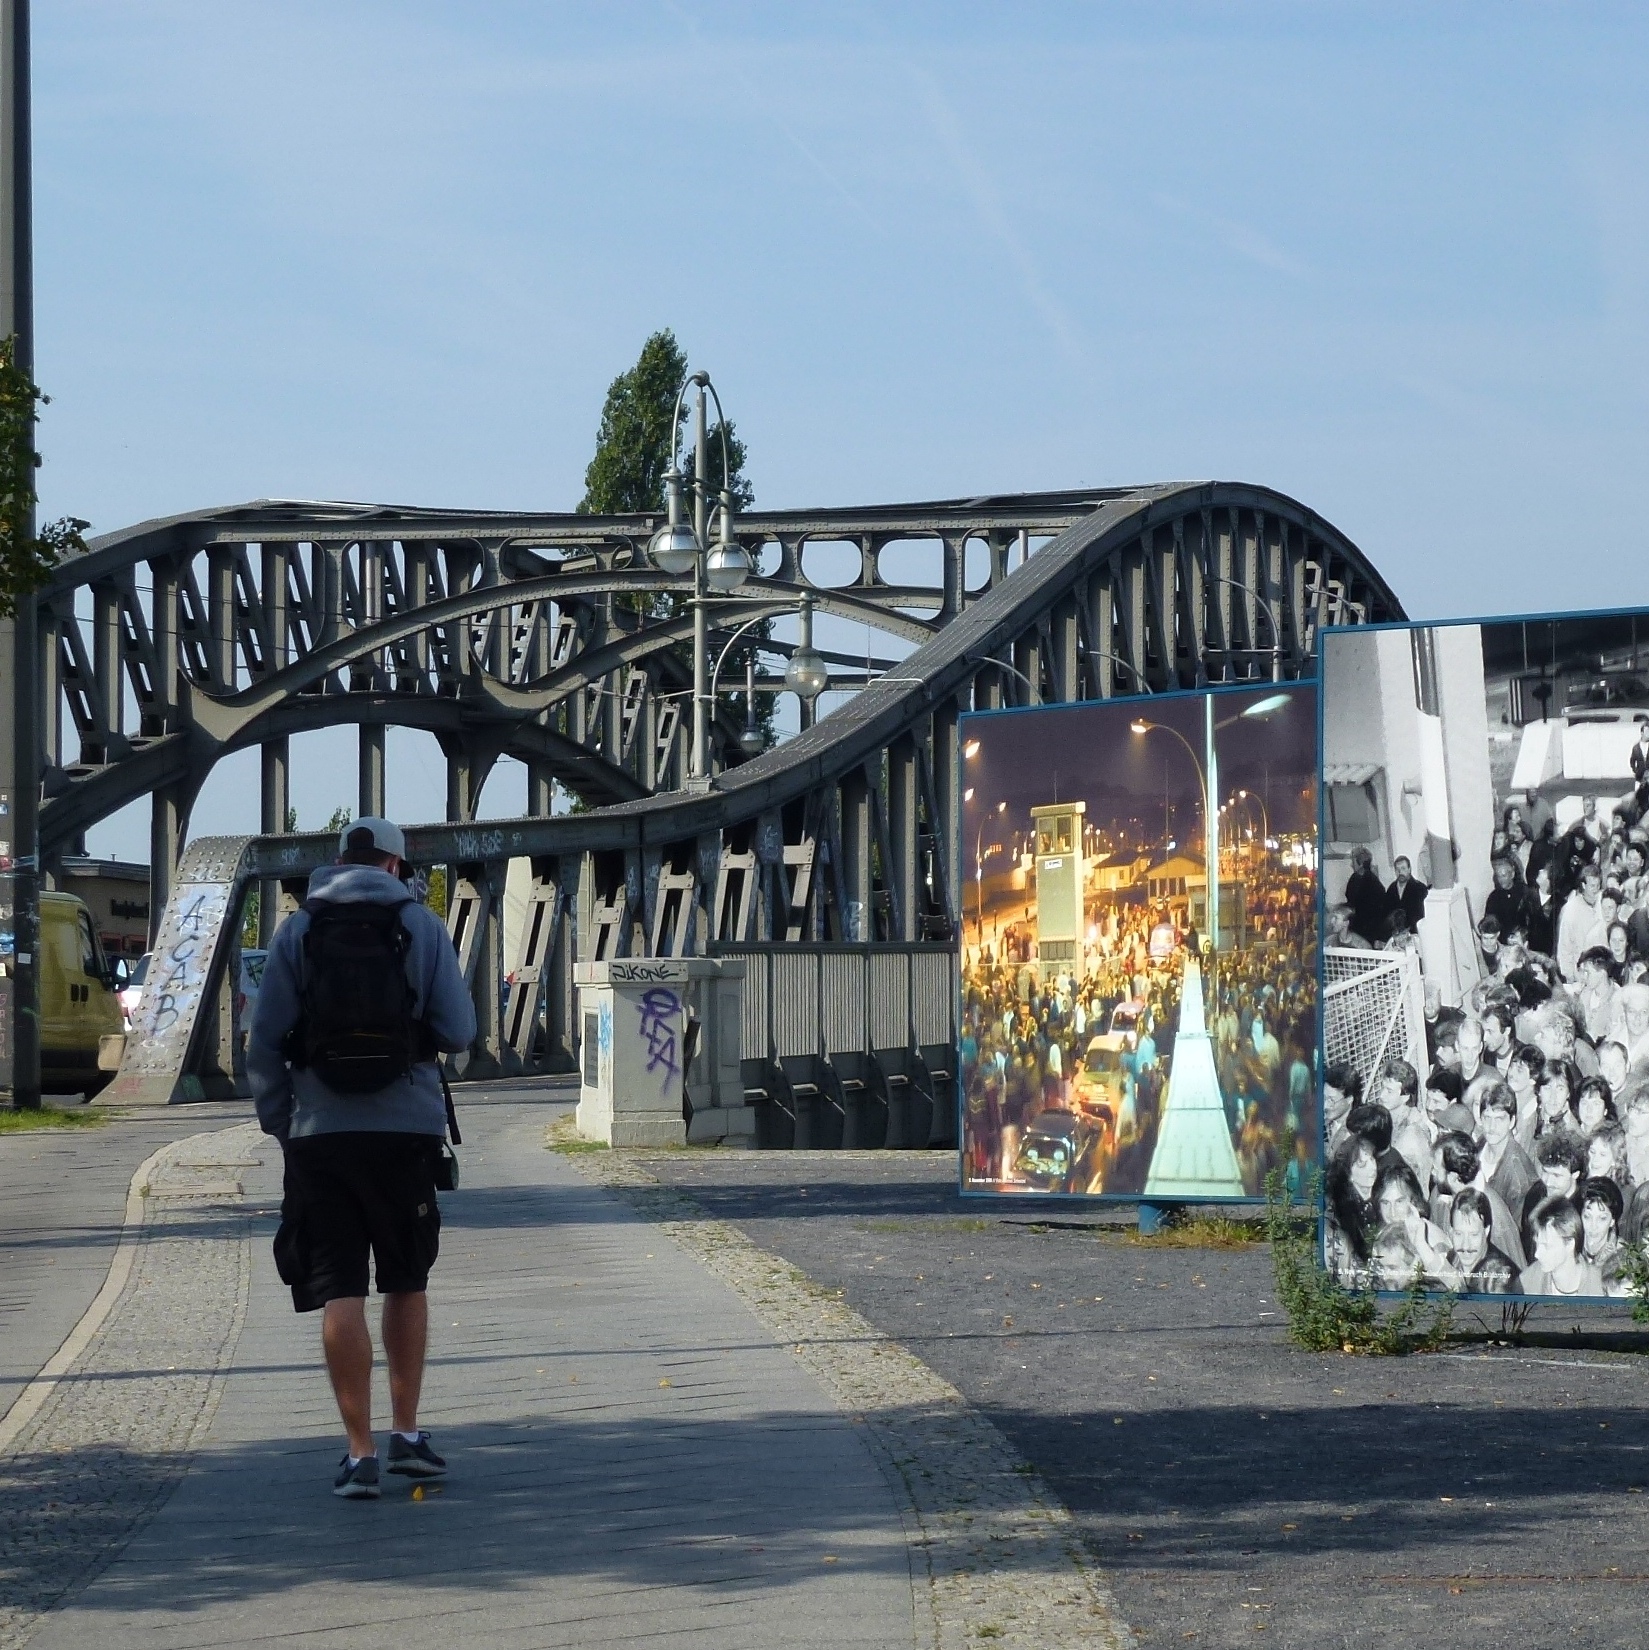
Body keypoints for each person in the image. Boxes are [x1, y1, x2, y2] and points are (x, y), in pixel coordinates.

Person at [250, 817, 478, 1499]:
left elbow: (262, 1043)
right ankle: (407, 1433)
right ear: (396, 865)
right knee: (405, 1279)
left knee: (337, 1288)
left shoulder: (297, 931)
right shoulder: (422, 926)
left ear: (336, 862)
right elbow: (459, 1031)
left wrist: (283, 1125)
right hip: (404, 1130)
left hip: (321, 1133)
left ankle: (357, 1452)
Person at [1519, 1198, 1605, 1298]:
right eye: (1537, 1244)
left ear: (1569, 1244)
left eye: (1546, 1246)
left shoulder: (1601, 1286)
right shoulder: (1529, 1280)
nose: (1537, 1254)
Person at [1441, 1187, 1519, 1294]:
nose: (1465, 1245)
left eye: (1473, 1235)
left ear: (1486, 1231)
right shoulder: (1452, 1258)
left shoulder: (1500, 1278)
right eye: (1458, 1234)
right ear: (1451, 1231)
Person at [1344, 847, 1387, 947]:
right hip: (1360, 927)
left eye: (1353, 861)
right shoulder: (1356, 878)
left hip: (1368, 930)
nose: (1351, 864)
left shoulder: (1370, 882)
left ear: (1360, 862)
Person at [1385, 856, 1429, 934]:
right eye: (1397, 869)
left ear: (1409, 869)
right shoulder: (1391, 889)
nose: (1400, 872)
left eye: (1403, 868)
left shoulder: (1420, 888)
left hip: (1415, 933)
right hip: (1396, 935)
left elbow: (1423, 916)